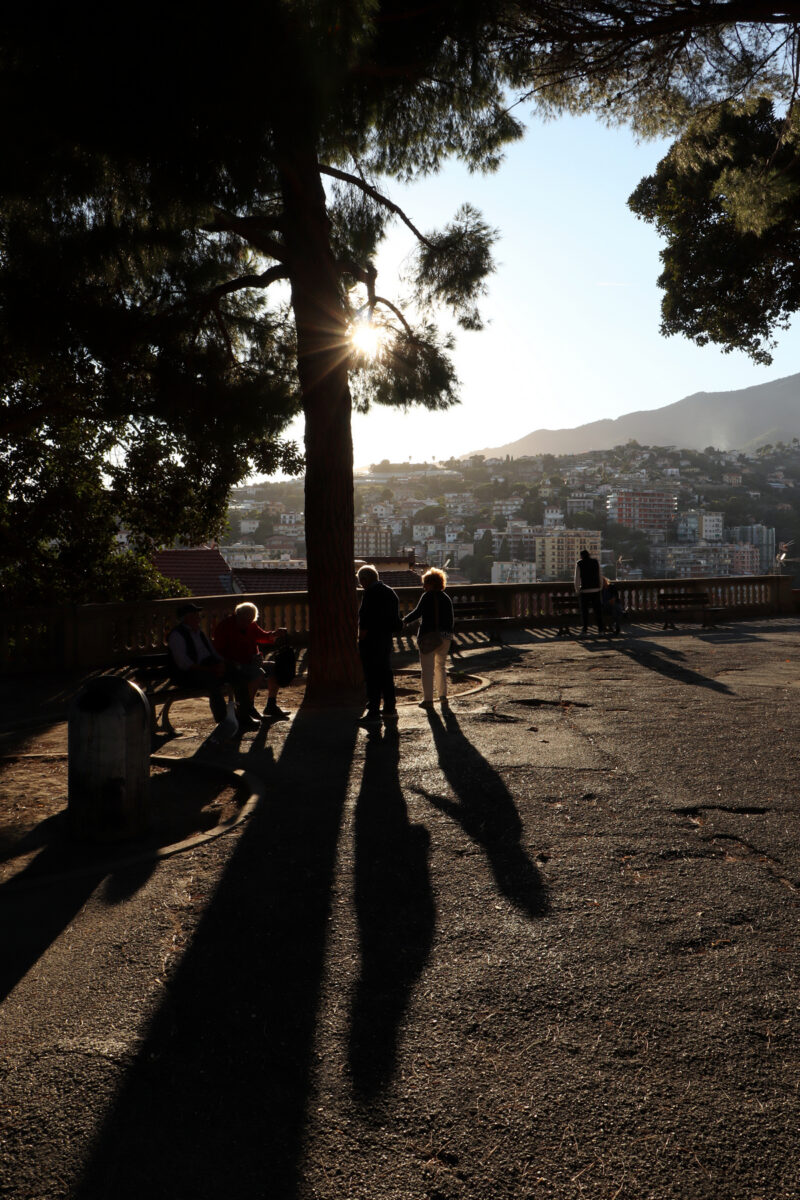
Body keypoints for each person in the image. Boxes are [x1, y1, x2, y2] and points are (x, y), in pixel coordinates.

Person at [166, 602, 255, 734]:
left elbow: (213, 653)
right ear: (187, 617)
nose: (199, 618)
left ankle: (244, 715)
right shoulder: (177, 635)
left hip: (208, 666)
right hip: (189, 673)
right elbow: (184, 664)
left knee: (239, 676)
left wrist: (223, 664)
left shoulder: (199, 633)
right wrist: (210, 669)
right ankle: (223, 719)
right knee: (212, 682)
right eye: (195, 615)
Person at [212, 602, 290, 723]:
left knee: (274, 668)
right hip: (235, 665)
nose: (248, 623)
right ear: (238, 615)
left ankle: (271, 705)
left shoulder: (250, 625)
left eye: (250, 620)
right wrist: (234, 662)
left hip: (252, 662)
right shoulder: (225, 627)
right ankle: (247, 707)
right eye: (246, 620)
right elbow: (218, 651)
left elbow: (262, 636)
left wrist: (274, 634)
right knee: (257, 674)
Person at [357, 564, 403, 726]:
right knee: (385, 674)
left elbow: (365, 620)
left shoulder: (370, 593)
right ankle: (390, 708)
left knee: (372, 677)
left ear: (364, 580)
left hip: (371, 640)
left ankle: (374, 710)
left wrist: (360, 639)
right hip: (385, 639)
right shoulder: (390, 592)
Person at [403, 567, 454, 709]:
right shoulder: (446, 598)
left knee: (427, 669)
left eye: (425, 583)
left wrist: (404, 620)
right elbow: (451, 620)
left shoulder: (427, 596)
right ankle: (443, 696)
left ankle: (428, 700)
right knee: (441, 667)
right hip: (446, 637)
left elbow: (417, 612)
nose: (423, 586)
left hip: (428, 636)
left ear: (431, 584)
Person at [574, 548, 604, 636]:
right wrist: (600, 587)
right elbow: (600, 575)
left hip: (585, 591)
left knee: (584, 612)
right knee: (598, 611)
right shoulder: (595, 562)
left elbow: (577, 579)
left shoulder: (579, 563)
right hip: (596, 590)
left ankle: (585, 630)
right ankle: (600, 630)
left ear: (581, 556)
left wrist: (577, 590)